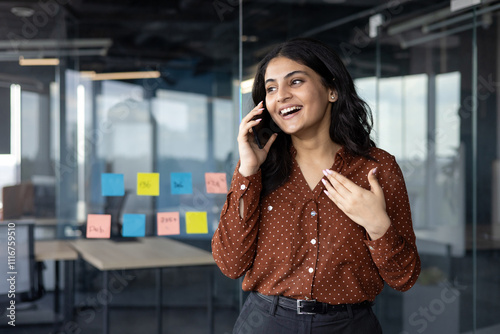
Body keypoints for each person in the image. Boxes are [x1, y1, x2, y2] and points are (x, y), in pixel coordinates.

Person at [212, 38, 421, 334]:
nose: (281, 95)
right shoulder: (258, 167)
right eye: (271, 88)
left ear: (332, 90)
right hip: (266, 322)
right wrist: (247, 171)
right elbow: (231, 264)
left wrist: (377, 225)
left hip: (350, 325)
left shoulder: (377, 168)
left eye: (295, 81)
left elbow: (405, 277)